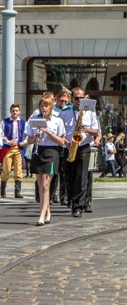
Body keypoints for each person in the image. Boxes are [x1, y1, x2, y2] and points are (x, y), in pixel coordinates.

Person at [25, 97, 67, 225]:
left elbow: (61, 141)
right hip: (38, 151)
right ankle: (47, 211)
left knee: (45, 184)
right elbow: (29, 140)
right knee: (40, 185)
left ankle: (41, 215)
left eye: (47, 106)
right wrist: (34, 137)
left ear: (51, 107)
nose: (44, 108)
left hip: (52, 152)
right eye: (42, 106)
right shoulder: (34, 120)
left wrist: (48, 132)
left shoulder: (57, 121)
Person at [60, 88, 101, 217]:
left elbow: (97, 132)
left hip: (84, 146)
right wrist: (66, 141)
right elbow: (60, 131)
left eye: (81, 98)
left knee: (81, 177)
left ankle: (78, 207)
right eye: (76, 98)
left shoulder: (90, 112)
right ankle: (73, 200)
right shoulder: (65, 112)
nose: (79, 100)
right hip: (70, 147)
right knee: (69, 177)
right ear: (72, 98)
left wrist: (87, 130)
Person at [0, 104, 26, 199]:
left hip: (18, 148)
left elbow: (27, 134)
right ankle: (3, 188)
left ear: (19, 111)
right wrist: (7, 141)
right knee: (6, 169)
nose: (15, 112)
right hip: (8, 148)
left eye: (16, 110)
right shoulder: (4, 122)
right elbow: (0, 134)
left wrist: (23, 142)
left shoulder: (23, 122)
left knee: (18, 169)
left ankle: (17, 191)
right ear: (10, 111)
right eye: (13, 110)